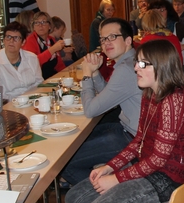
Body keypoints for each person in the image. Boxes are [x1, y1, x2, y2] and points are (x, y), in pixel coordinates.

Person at [65, 39, 184, 203]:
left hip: (165, 179)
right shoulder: (149, 93)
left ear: (162, 66)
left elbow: (158, 160)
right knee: (74, 197)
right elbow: (139, 140)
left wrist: (117, 178)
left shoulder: (174, 100)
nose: (136, 67)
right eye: (137, 62)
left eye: (143, 64)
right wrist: (109, 167)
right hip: (146, 168)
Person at [60, 18, 142, 186]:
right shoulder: (128, 61)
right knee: (73, 143)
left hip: (133, 140)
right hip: (128, 129)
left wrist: (86, 75)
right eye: (103, 39)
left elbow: (90, 110)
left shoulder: (126, 69)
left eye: (112, 37)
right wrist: (95, 72)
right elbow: (108, 96)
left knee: (63, 163)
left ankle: (108, 192)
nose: (106, 43)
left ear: (128, 40)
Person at [0, 22, 43, 101]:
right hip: (8, 105)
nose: (11, 41)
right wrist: (21, 101)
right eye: (8, 37)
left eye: (16, 38)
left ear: (23, 42)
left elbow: (39, 84)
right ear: (4, 40)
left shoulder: (32, 58)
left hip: (33, 101)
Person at [21, 11, 66, 79]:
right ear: (33, 27)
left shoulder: (51, 40)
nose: (40, 25)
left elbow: (58, 64)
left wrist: (66, 75)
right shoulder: (30, 41)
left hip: (53, 78)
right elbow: (34, 63)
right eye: (37, 23)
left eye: (43, 22)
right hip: (38, 80)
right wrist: (52, 49)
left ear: (50, 26)